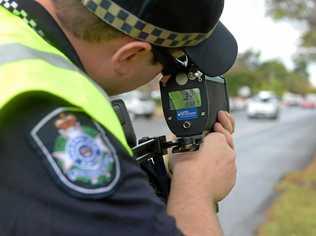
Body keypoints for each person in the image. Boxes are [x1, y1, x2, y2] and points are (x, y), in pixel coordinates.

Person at [0, 0, 238, 235]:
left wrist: (157, 173)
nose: (167, 77)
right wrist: (196, 187)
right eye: (172, 63)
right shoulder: (52, 114)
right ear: (130, 55)